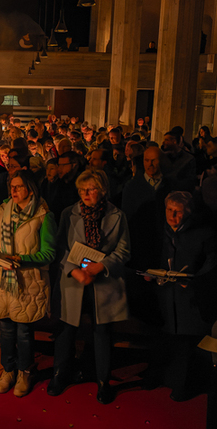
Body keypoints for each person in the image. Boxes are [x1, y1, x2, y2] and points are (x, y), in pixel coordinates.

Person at [47, 169, 130, 405]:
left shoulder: (117, 215)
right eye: (82, 189)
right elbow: (60, 247)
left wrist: (101, 266)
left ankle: (103, 381)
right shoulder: (68, 213)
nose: (85, 193)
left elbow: (124, 250)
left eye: (91, 188)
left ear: (102, 190)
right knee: (66, 330)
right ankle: (59, 374)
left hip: (103, 282)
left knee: (102, 331)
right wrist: (73, 269)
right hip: (74, 280)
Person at [0, 170, 57, 396]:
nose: (13, 191)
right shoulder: (1, 211)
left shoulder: (43, 216)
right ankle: (8, 369)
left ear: (30, 189)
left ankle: (24, 371)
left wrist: (22, 259)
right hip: (1, 279)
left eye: (18, 187)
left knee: (24, 331)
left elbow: (49, 253)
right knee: (5, 329)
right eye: (11, 186)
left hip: (28, 282)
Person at [145, 192, 217, 401]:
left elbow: (211, 263)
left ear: (189, 212)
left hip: (190, 300)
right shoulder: (162, 231)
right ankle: (160, 376)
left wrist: (194, 280)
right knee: (165, 339)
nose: (172, 215)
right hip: (166, 296)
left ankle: (183, 385)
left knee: (186, 345)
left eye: (178, 211)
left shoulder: (204, 234)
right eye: (169, 210)